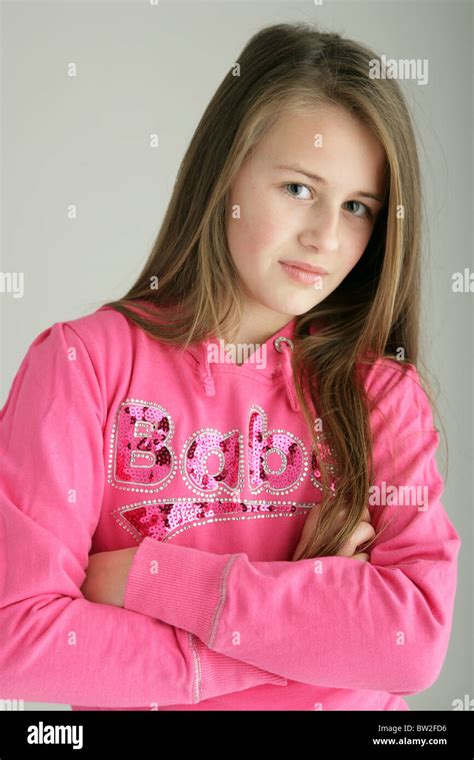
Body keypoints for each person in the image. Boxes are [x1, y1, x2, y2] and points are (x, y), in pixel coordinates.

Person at [0, 22, 461, 711]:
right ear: (227, 171)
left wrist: (148, 581)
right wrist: (307, 637)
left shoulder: (381, 394)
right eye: (300, 190)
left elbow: (412, 643)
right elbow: (19, 640)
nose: (327, 238)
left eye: (358, 208)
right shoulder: (83, 365)